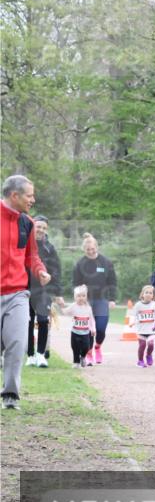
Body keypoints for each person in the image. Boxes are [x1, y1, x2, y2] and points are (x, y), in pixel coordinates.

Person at [1, 175, 51, 409]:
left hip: (19, 294)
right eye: (29, 195)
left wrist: (40, 270)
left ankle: (10, 395)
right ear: (15, 196)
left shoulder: (27, 223)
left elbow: (31, 255)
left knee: (18, 343)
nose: (33, 199)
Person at [71, 233, 117, 365]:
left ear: (97, 247)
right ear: (84, 250)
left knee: (101, 328)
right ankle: (89, 352)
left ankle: (97, 347)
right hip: (86, 301)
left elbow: (112, 281)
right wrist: (80, 290)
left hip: (102, 299)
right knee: (89, 329)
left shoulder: (106, 262)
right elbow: (75, 283)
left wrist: (112, 299)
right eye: (88, 250)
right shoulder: (80, 263)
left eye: (93, 249)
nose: (91, 252)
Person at [27, 215, 62, 368]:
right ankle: (30, 355)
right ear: (33, 226)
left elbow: (56, 270)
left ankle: (41, 354)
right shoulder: (24, 243)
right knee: (27, 322)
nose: (40, 230)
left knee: (42, 321)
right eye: (38, 226)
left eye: (43, 228)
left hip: (44, 290)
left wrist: (57, 291)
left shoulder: (50, 248)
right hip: (25, 288)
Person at [58, 285, 96, 368]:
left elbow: (91, 319)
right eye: (78, 296)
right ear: (75, 297)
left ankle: (83, 357)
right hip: (75, 332)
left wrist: (93, 329)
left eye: (83, 296)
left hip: (85, 333)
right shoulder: (73, 306)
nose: (81, 298)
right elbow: (64, 312)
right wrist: (61, 306)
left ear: (86, 297)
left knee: (86, 347)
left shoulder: (88, 308)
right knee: (75, 348)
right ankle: (76, 362)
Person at [133, 284, 155, 367]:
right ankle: (140, 360)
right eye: (146, 292)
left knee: (151, 344)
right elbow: (134, 315)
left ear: (153, 296)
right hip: (141, 330)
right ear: (142, 294)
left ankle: (149, 355)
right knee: (142, 345)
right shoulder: (138, 305)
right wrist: (133, 322)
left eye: (151, 293)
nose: (148, 294)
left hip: (151, 330)